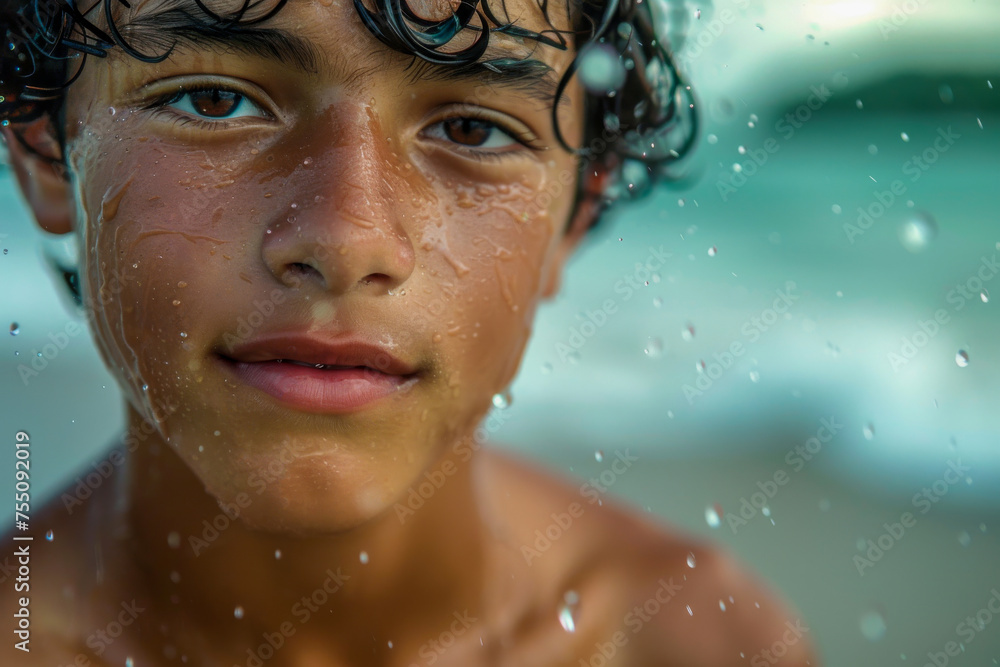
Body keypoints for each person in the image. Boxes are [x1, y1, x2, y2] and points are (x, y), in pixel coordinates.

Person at [1, 0, 820, 663]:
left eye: (471, 129)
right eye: (215, 100)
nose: (346, 241)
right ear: (46, 149)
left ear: (576, 211)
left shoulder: (695, 643)